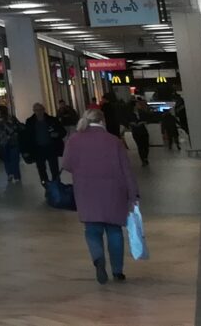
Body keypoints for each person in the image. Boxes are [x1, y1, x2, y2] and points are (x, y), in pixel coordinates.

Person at [66, 108, 139, 284]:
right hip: (113, 191)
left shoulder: (74, 140)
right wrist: (133, 194)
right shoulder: (114, 141)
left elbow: (67, 164)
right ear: (102, 121)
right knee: (114, 231)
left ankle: (98, 258)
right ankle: (117, 271)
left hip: (86, 191)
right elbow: (126, 170)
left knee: (92, 230)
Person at [22, 103, 66, 184]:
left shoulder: (52, 120)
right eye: (36, 110)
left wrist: (57, 134)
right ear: (34, 111)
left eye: (40, 110)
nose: (39, 112)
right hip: (38, 149)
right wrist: (26, 150)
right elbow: (26, 137)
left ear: (43, 110)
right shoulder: (30, 122)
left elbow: (63, 131)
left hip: (51, 148)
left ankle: (56, 184)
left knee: (54, 168)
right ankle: (46, 185)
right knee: (41, 169)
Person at [0, 107, 24, 183]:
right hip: (11, 142)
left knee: (8, 160)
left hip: (4, 142)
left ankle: (11, 174)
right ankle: (15, 175)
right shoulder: (11, 118)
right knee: (13, 160)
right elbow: (19, 127)